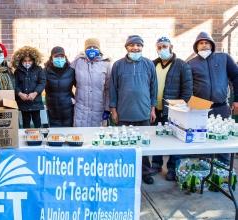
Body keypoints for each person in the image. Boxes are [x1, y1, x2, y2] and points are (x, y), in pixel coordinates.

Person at [109, 35, 157, 184]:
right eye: (132, 45)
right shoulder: (118, 65)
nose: (135, 48)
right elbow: (112, 89)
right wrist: (113, 109)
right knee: (124, 145)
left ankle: (145, 173)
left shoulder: (149, 64)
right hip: (124, 113)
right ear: (127, 47)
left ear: (142, 47)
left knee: (143, 145)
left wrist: (152, 109)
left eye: (138, 45)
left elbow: (153, 88)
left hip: (143, 113)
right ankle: (124, 172)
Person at [188, 32, 238, 165]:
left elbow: (236, 77)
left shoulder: (224, 58)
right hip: (200, 108)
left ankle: (223, 169)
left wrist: (236, 99)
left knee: (223, 141)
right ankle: (204, 168)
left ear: (212, 45)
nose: (204, 45)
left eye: (207, 42)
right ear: (196, 46)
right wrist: (192, 106)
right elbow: (188, 88)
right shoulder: (191, 64)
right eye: (201, 43)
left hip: (221, 107)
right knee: (203, 141)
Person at [151, 36, 193, 181]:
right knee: (157, 137)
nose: (162, 49)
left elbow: (187, 91)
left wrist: (177, 107)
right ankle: (156, 164)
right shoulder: (152, 64)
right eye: (159, 47)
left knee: (174, 139)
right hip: (155, 109)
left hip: (174, 111)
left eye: (165, 46)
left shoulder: (182, 65)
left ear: (171, 47)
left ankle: (173, 168)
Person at [71, 38, 112, 127]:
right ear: (85, 49)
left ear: (99, 49)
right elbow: (67, 79)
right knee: (80, 136)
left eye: (95, 47)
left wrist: (107, 108)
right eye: (89, 47)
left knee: (97, 137)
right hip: (81, 110)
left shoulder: (106, 64)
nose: (92, 49)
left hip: (98, 109)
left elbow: (108, 89)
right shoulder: (78, 62)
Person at [12, 46, 46, 128]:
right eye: (25, 61)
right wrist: (20, 94)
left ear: (34, 60)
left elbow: (42, 82)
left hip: (35, 102)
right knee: (25, 122)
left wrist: (35, 93)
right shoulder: (17, 71)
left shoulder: (38, 69)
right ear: (21, 61)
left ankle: (39, 137)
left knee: (37, 121)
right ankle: (26, 138)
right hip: (23, 102)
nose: (27, 63)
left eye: (29, 60)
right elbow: (14, 85)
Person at [44, 46, 75, 127]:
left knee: (69, 132)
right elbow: (39, 86)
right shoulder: (45, 71)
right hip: (52, 108)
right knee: (55, 134)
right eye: (56, 56)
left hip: (68, 107)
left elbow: (80, 86)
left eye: (61, 56)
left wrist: (76, 99)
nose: (59, 58)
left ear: (65, 57)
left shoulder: (71, 70)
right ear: (51, 58)